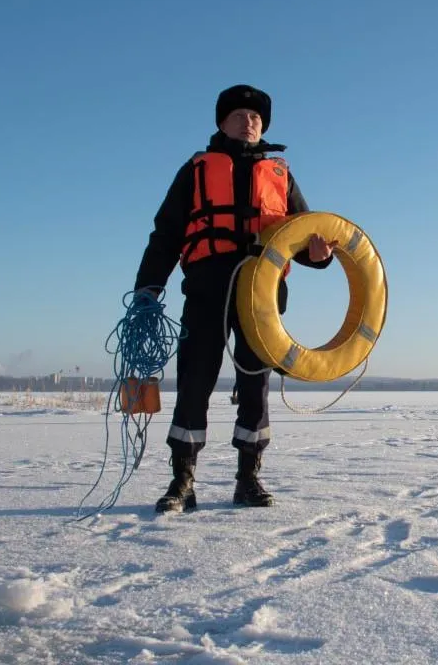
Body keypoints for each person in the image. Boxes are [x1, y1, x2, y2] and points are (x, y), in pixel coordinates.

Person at [133, 84, 336, 512]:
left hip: (261, 295)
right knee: (194, 380)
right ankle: (182, 481)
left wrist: (321, 257)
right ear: (222, 123)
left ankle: (248, 479)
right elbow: (166, 232)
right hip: (207, 287)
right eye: (241, 115)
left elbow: (304, 235)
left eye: (257, 118)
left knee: (255, 386)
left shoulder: (281, 175)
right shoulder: (195, 169)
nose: (250, 122)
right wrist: (149, 287)